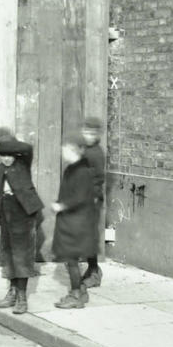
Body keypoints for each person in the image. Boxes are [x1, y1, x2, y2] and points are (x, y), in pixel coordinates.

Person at [0, 135, 44, 313]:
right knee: (8, 254)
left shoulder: (22, 164)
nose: (6, 158)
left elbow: (27, 148)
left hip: (23, 214)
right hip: (5, 212)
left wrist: (5, 144)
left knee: (22, 256)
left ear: (15, 154)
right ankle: (12, 292)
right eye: (2, 154)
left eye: (9, 154)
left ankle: (22, 297)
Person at [50, 133, 98, 309]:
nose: (62, 152)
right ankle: (79, 293)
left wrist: (62, 206)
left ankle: (76, 294)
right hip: (70, 222)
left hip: (77, 223)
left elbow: (80, 197)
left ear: (75, 150)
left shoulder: (82, 172)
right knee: (69, 260)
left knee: (71, 259)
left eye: (65, 149)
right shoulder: (71, 169)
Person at [80, 116, 106, 289]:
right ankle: (92, 269)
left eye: (91, 133)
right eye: (86, 132)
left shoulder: (95, 153)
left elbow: (97, 180)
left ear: (97, 134)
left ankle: (94, 271)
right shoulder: (86, 150)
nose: (88, 135)